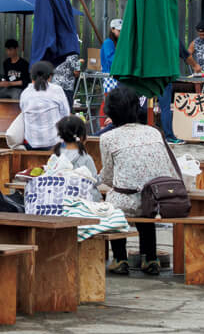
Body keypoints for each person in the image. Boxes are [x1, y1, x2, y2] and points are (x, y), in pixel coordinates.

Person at [98, 84, 177, 276]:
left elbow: (108, 177)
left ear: (111, 111)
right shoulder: (154, 132)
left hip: (129, 202)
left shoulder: (108, 137)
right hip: (158, 200)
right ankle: (150, 258)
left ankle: (119, 258)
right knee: (144, 199)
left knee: (113, 201)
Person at [16, 60, 70, 149]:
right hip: (54, 143)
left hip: (31, 144)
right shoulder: (57, 90)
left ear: (32, 77)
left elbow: (23, 113)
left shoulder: (25, 93)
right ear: (49, 77)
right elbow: (65, 115)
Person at [50, 114, 99, 186]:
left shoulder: (55, 155)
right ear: (82, 136)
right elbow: (94, 181)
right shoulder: (86, 158)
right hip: (82, 195)